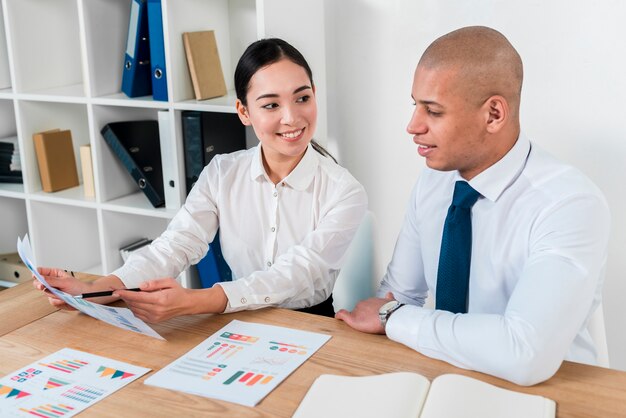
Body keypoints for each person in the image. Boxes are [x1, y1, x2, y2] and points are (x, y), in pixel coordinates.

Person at [336, 26, 610, 386]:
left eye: (432, 111)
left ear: (494, 114)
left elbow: (524, 353)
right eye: (414, 105)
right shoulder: (433, 181)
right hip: (445, 375)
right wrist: (394, 315)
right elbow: (398, 296)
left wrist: (396, 317)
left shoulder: (570, 204)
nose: (412, 126)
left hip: (549, 393)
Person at [34, 38, 367, 321]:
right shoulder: (223, 172)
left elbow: (297, 272)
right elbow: (176, 245)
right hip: (239, 322)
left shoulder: (344, 191)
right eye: (271, 104)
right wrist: (96, 290)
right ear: (244, 112)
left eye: (302, 98)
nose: (291, 117)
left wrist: (197, 301)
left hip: (312, 325)